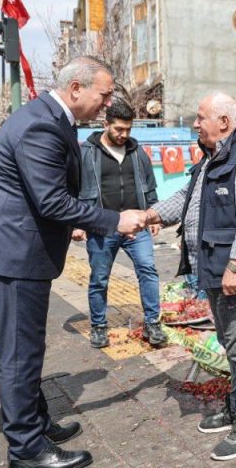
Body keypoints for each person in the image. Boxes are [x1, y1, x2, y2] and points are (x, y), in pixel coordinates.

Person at [0, 56, 147, 468]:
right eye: (103, 95)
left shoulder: (44, 116)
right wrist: (114, 220)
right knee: (19, 354)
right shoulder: (42, 124)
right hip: (12, 256)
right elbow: (51, 200)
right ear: (76, 88)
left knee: (28, 347)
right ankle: (26, 450)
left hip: (13, 249)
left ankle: (37, 421)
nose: (106, 104)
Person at [145, 92, 236, 462]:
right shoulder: (212, 160)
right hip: (214, 269)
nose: (195, 124)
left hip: (234, 271)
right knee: (229, 340)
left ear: (223, 121)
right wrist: (149, 216)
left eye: (201, 117)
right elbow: (188, 198)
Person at [71, 101, 165, 348]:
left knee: (148, 270)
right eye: (119, 129)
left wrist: (153, 216)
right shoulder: (87, 153)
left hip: (137, 224)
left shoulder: (137, 151)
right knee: (100, 278)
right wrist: (77, 223)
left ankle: (153, 323)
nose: (124, 135)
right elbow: (75, 189)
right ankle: (99, 326)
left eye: (128, 129)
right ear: (106, 125)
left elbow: (149, 184)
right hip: (102, 227)